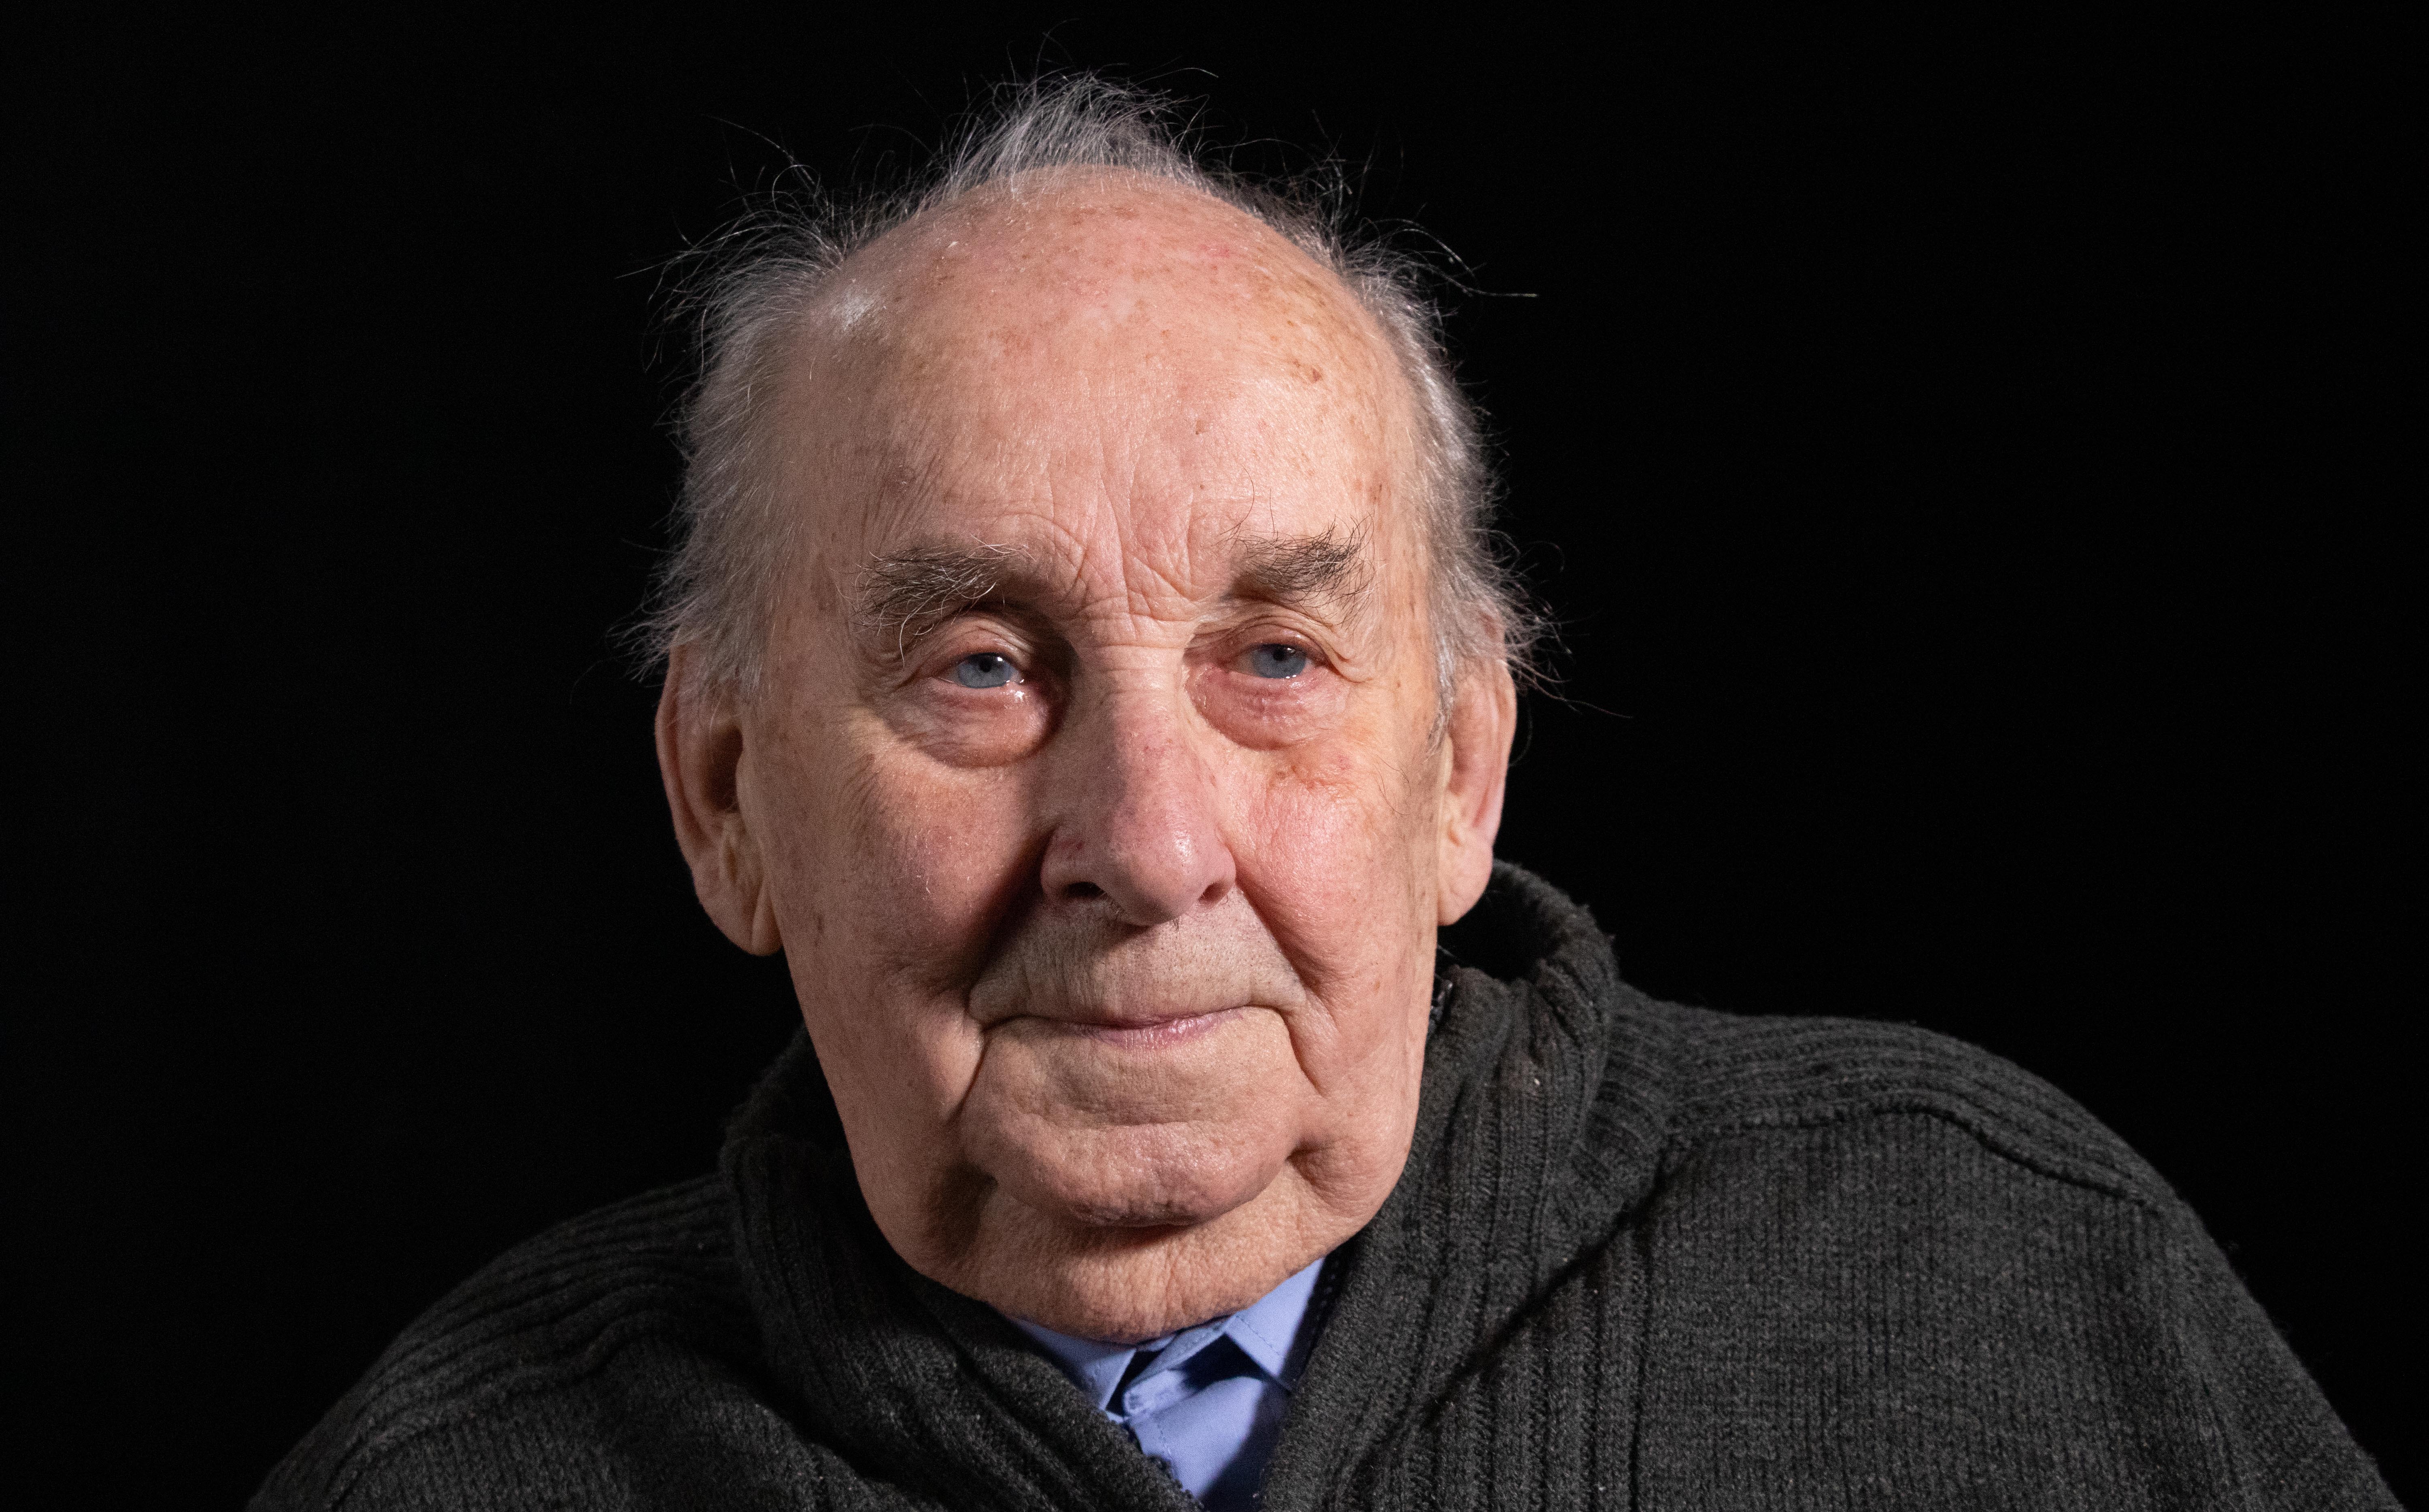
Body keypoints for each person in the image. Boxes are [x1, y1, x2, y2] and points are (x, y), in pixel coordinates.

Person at [253, 78, 2393, 1511]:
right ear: (726, 799)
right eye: (984, 666)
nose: (1149, 842)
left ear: (1461, 767)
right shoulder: (458, 1472)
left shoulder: (2004, 1274)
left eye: (1274, 657)